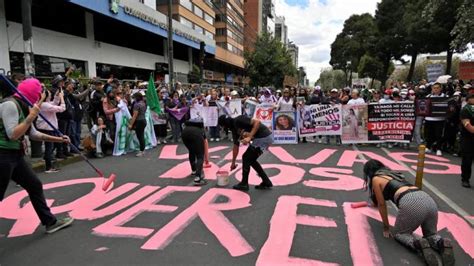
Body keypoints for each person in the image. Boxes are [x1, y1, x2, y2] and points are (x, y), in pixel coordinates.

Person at [0, 78, 74, 233]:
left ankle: (50, 222)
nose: (41, 96)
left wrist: (59, 139)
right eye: (39, 93)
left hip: (15, 155)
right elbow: (13, 134)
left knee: (34, 185)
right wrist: (31, 116)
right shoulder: (10, 105)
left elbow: (33, 134)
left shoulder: (26, 106)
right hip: (3, 155)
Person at [362, 159, 454, 266]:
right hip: (428, 199)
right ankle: (442, 243)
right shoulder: (394, 173)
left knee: (400, 234)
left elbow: (382, 204)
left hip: (409, 200)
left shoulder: (376, 179)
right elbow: (379, 199)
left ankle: (418, 244)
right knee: (431, 234)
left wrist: (386, 227)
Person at [218, 115, 273, 191]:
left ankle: (244, 183)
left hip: (264, 137)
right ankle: (266, 181)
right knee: (251, 159)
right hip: (263, 138)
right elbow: (235, 146)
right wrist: (233, 162)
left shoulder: (238, 120)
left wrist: (250, 136)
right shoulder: (234, 129)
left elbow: (257, 122)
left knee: (246, 157)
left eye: (224, 126)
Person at [36, 86, 66, 173]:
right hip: (48, 128)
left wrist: (57, 96)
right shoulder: (45, 105)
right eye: (48, 93)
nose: (50, 94)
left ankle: (48, 161)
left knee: (49, 146)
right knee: (49, 147)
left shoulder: (44, 103)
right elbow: (61, 108)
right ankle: (48, 167)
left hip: (46, 127)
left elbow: (54, 103)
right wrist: (61, 98)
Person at [181, 118, 208, 186]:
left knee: (191, 151)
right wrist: (206, 158)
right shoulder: (200, 129)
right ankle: (198, 178)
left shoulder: (187, 127)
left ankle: (194, 170)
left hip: (184, 133)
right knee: (200, 156)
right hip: (195, 136)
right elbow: (205, 143)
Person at [424, 83, 446, 156]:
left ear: (440, 88)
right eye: (434, 88)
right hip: (429, 119)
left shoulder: (445, 97)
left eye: (437, 88)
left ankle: (438, 149)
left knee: (438, 135)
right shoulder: (428, 96)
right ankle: (428, 147)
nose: (435, 89)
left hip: (440, 119)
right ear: (432, 89)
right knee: (429, 134)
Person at [460, 93, 474, 188]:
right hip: (468, 138)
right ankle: (465, 179)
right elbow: (468, 126)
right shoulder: (466, 109)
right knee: (467, 160)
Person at [128, 92, 147, 157]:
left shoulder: (137, 105)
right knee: (142, 135)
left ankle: (141, 151)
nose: (134, 99)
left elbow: (135, 115)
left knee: (140, 136)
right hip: (144, 120)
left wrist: (131, 124)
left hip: (139, 121)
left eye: (134, 97)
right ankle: (143, 150)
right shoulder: (143, 103)